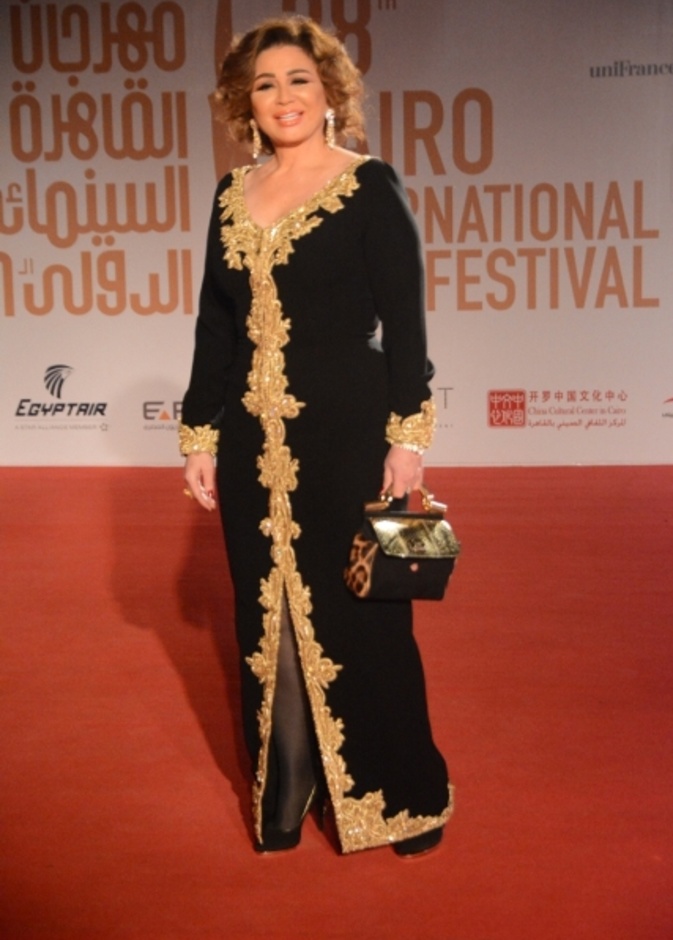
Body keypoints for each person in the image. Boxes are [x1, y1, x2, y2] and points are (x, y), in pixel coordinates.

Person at [180, 15, 452, 856]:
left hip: (346, 430)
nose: (283, 97)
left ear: (328, 90)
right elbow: (216, 326)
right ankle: (288, 782)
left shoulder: (367, 185)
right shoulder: (231, 195)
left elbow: (405, 322)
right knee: (265, 615)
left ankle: (398, 795)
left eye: (298, 78)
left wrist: (407, 437)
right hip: (251, 440)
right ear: (245, 102)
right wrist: (200, 432)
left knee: (365, 613)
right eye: (264, 84)